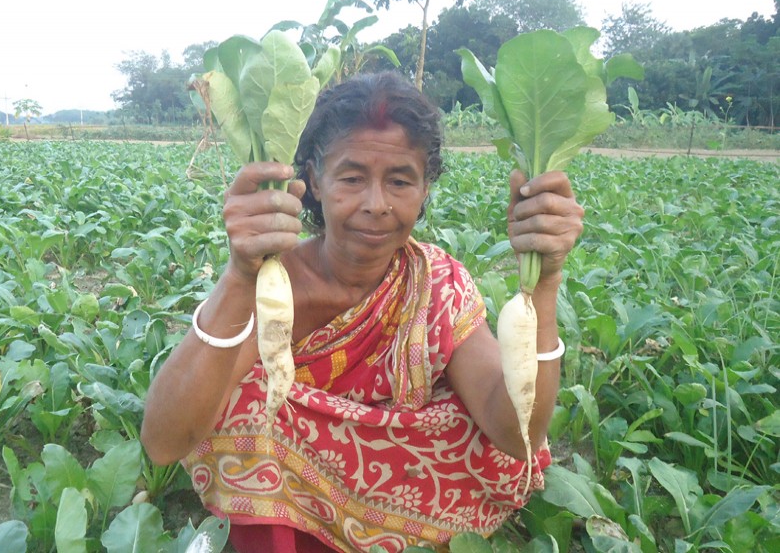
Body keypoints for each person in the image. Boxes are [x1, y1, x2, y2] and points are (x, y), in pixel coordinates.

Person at [141, 72, 584, 552]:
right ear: (313, 179)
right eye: (352, 178)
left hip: (404, 514)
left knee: (461, 420)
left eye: (399, 180)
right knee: (247, 402)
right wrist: (238, 276)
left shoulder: (435, 283)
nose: (377, 205)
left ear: (425, 189)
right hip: (284, 527)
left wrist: (546, 282)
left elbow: (516, 436)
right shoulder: (270, 286)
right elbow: (165, 442)